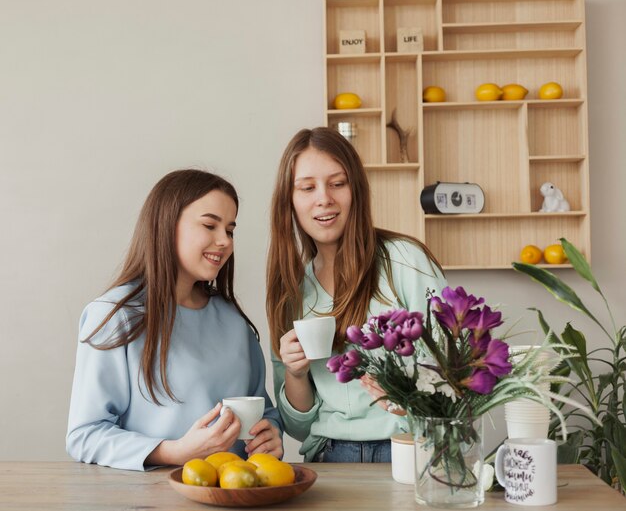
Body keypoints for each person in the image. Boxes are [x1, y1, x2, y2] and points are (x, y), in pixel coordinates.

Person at [66, 169, 282, 471]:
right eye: (210, 225)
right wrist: (173, 452)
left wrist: (271, 434)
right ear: (166, 226)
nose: (224, 241)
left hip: (235, 495)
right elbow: (84, 435)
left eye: (230, 230)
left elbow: (263, 411)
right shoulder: (115, 316)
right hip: (149, 499)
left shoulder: (233, 322)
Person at [266, 127, 447, 463]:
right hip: (329, 456)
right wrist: (295, 373)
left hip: (408, 449)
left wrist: (405, 393)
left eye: (338, 183)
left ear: (356, 190)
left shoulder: (405, 260)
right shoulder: (291, 292)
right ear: (289, 200)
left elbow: (456, 368)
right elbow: (298, 427)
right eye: (307, 187)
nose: (324, 198)